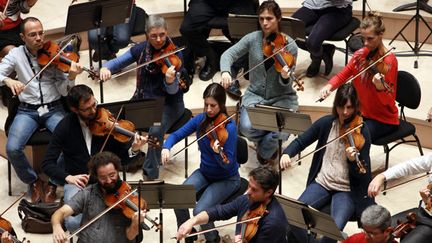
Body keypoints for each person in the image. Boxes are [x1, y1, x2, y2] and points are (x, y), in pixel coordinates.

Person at [42, 84, 146, 232]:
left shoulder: (106, 122)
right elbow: (47, 163)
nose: (93, 110)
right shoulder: (64, 127)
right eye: (87, 109)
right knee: (72, 223)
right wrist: (68, 177)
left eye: (94, 104)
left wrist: (134, 149)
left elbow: (122, 160)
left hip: (107, 181)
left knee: (136, 211)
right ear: (74, 109)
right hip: (79, 182)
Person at [0, 17, 83, 203]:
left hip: (54, 108)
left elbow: (63, 91)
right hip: (27, 111)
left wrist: (70, 77)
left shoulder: (55, 53)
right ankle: (34, 181)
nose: (39, 38)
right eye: (32, 35)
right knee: (12, 148)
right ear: (22, 37)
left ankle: (53, 181)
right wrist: (7, 80)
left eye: (41, 33)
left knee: (71, 142)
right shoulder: (16, 55)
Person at [280, 83, 375, 243]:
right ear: (335, 105)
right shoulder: (326, 123)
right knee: (294, 217)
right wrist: (287, 153)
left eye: (350, 108)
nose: (345, 112)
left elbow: (364, 175)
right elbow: (302, 140)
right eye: (341, 107)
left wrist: (353, 161)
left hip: (345, 191)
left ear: (355, 107)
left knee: (333, 232)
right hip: (322, 183)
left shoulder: (362, 131)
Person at [99, 14, 187, 180]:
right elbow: (119, 62)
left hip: (169, 104)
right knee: (112, 119)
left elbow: (174, 91)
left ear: (167, 32)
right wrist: (107, 68)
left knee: (155, 130)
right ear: (147, 34)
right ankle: (126, 158)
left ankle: (150, 172)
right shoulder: (141, 49)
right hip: (143, 100)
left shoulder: (176, 55)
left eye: (162, 34)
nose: (159, 39)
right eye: (154, 36)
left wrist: (169, 81)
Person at [220, 0, 299, 165]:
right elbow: (228, 55)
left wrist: (285, 77)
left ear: (278, 19)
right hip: (255, 96)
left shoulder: (290, 46)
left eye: (269, 18)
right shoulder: (252, 39)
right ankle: (270, 143)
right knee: (246, 127)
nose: (264, 23)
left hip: (282, 98)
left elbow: (287, 83)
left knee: (282, 131)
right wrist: (226, 71)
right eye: (261, 18)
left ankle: (264, 151)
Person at [161, 83, 240, 243]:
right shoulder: (200, 120)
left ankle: (213, 239)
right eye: (206, 105)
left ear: (221, 105)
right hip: (205, 173)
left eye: (213, 106)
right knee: (178, 197)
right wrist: (166, 147)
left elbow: (229, 164)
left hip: (227, 178)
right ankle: (188, 235)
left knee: (200, 210)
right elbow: (176, 135)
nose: (209, 109)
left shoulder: (229, 128)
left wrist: (218, 154)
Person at [320, 12, 398, 143]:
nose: (366, 43)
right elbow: (343, 74)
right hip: (361, 113)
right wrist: (329, 86)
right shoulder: (360, 55)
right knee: (330, 127)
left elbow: (389, 101)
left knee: (356, 139)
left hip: (383, 119)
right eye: (363, 39)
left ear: (381, 35)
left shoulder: (389, 62)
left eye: (370, 39)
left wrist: (380, 88)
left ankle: (360, 163)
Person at [51, 151, 146, 243]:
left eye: (112, 175)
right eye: (103, 178)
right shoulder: (88, 193)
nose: (108, 181)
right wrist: (56, 226)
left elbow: (130, 236)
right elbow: (61, 212)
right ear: (96, 177)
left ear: (117, 171)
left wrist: (135, 223)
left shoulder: (131, 198)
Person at [176, 166, 288, 242]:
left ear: (269, 192)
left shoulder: (273, 223)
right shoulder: (247, 199)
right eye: (249, 186)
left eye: (254, 189)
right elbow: (219, 211)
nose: (248, 192)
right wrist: (192, 221)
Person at [180, 0, 257, 81]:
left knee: (249, 26)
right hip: (206, 2)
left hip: (239, 2)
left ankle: (235, 68)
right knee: (187, 29)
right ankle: (212, 57)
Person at [368, 153, 432, 243]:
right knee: (376, 231)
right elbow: (409, 166)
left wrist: (427, 201)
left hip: (429, 223)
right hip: (421, 212)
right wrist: (382, 176)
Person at [292, 0, 353, 77]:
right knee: (290, 30)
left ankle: (316, 59)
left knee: (312, 43)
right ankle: (324, 51)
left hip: (338, 9)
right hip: (312, 5)